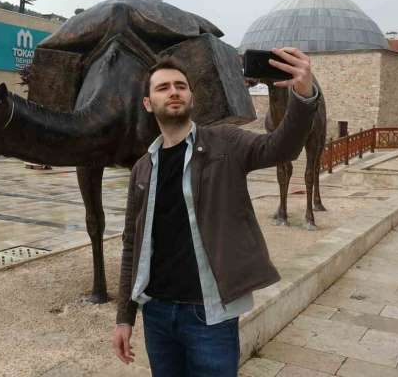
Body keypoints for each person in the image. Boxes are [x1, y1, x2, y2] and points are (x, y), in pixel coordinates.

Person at [111, 48, 318, 377]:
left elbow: (282, 146)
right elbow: (131, 245)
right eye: (162, 87)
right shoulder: (142, 169)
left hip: (209, 314)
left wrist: (304, 95)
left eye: (180, 85)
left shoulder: (225, 143)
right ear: (148, 103)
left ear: (192, 97)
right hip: (157, 314)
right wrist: (125, 317)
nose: (174, 91)